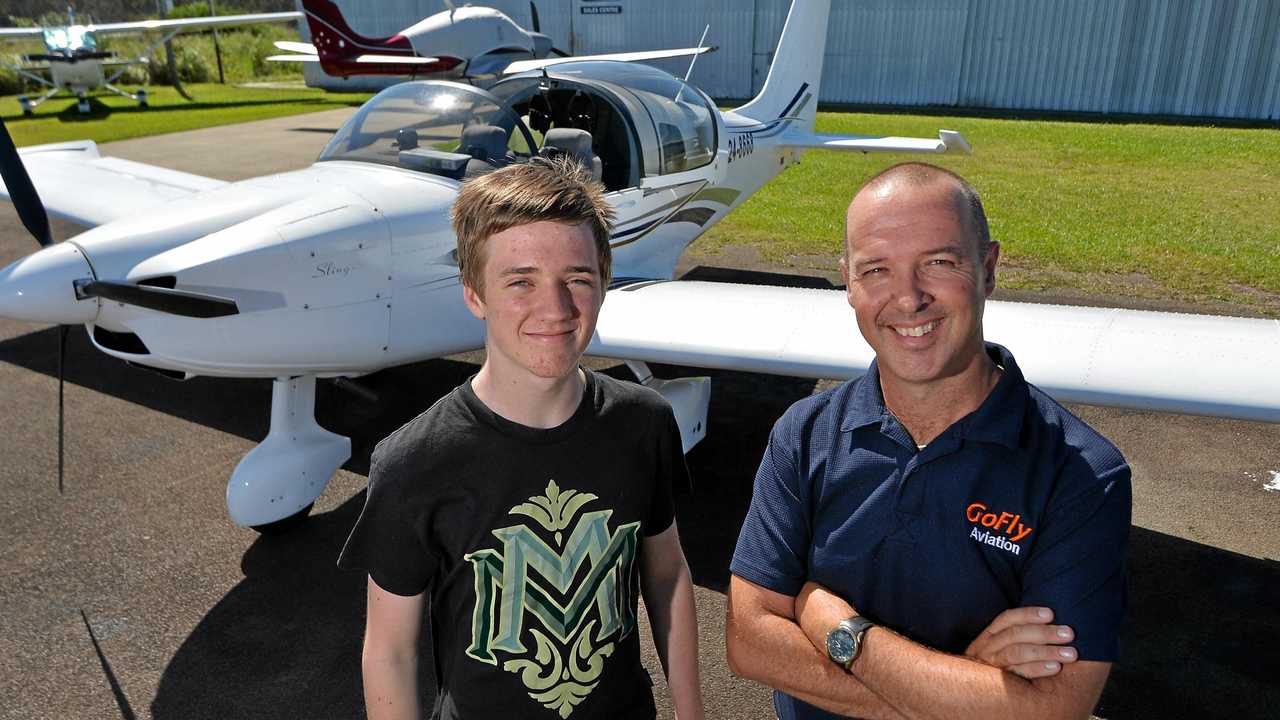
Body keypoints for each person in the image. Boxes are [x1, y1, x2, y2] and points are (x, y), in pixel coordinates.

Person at [725, 162, 1131, 719]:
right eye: (876, 270)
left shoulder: (1082, 473)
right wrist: (964, 687)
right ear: (848, 282)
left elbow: (1055, 708)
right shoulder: (804, 433)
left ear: (988, 269)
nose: (908, 298)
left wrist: (834, 625)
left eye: (938, 263)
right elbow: (749, 642)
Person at [339, 156, 704, 720]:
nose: (554, 309)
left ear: (605, 282)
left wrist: (691, 714)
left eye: (576, 279)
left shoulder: (644, 423)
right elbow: (389, 650)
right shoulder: (413, 462)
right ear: (474, 293)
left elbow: (667, 574)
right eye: (521, 282)